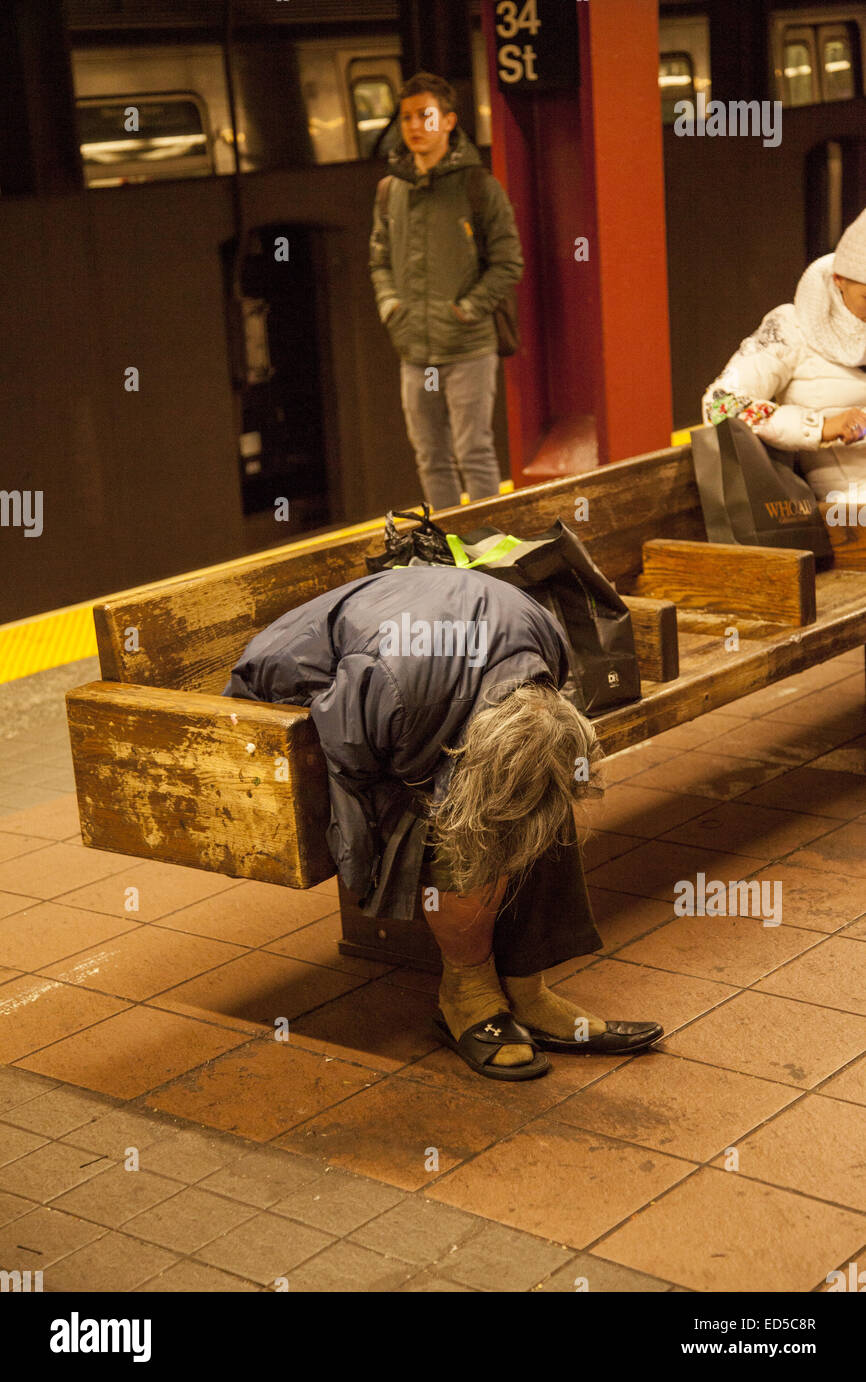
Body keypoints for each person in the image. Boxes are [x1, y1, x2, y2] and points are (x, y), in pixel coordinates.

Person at [223, 566, 662, 1082]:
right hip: (289, 699)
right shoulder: (389, 689)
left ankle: (526, 989)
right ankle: (468, 993)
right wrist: (369, 871)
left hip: (413, 687)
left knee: (538, 793)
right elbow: (355, 777)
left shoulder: (544, 636)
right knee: (454, 826)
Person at [369, 71, 524, 511]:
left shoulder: (478, 187)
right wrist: (390, 307)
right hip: (415, 351)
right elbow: (379, 260)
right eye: (407, 118)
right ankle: (449, 549)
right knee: (430, 458)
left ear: (449, 120)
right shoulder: (388, 192)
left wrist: (467, 309)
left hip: (468, 347)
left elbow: (509, 262)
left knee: (474, 451)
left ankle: (486, 547)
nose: (415, 126)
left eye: (425, 115)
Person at [701, 208, 866, 500]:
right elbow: (719, 404)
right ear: (839, 279)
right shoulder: (792, 326)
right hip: (843, 504)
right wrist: (821, 427)